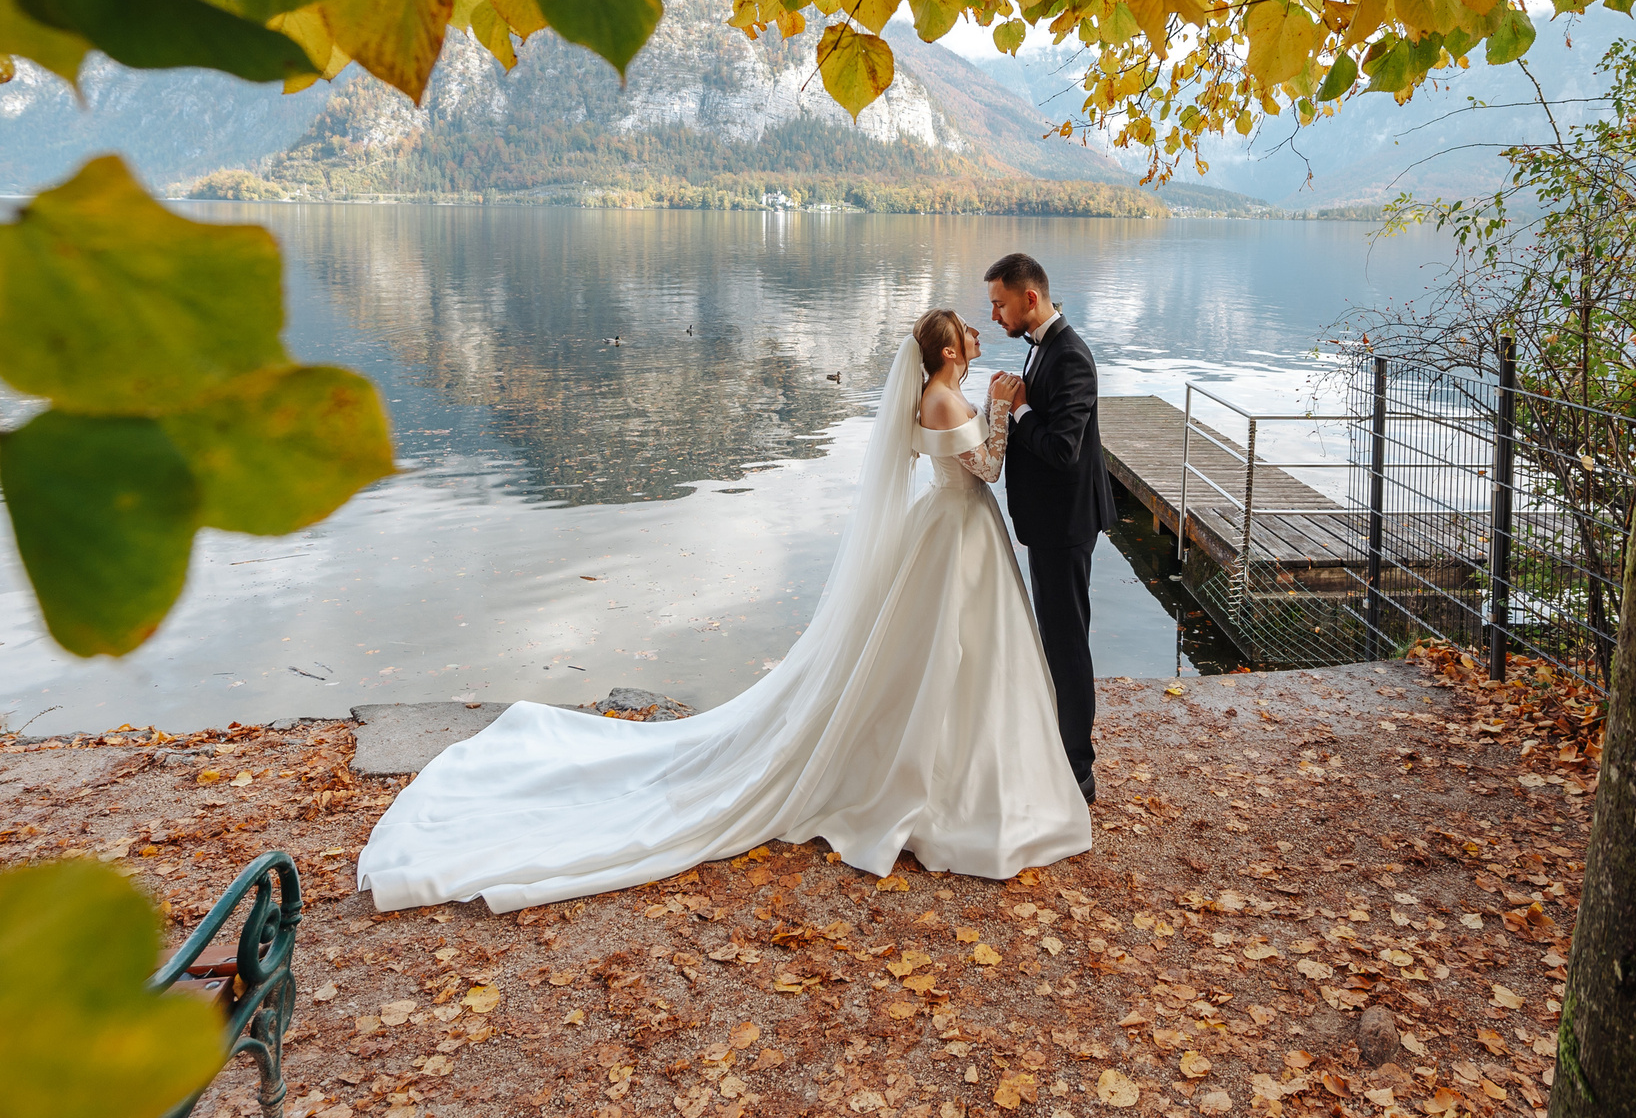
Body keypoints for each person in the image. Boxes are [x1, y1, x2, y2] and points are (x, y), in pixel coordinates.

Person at [356, 309, 1090, 912]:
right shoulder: (946, 396)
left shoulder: (931, 395)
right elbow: (987, 467)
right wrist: (1004, 406)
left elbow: (969, 462)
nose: (979, 336)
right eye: (968, 333)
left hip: (952, 531)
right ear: (947, 350)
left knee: (948, 659)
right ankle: (943, 786)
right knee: (946, 656)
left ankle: (956, 768)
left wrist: (993, 406)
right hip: (957, 533)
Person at [983, 252, 1114, 804]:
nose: (994, 315)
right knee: (1059, 640)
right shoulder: (1042, 351)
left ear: (1029, 299)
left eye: (999, 304)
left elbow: (1063, 449)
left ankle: (1077, 771)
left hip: (1065, 525)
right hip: (1050, 522)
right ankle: (1063, 753)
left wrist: (1017, 410)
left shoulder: (1071, 358)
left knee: (1067, 645)